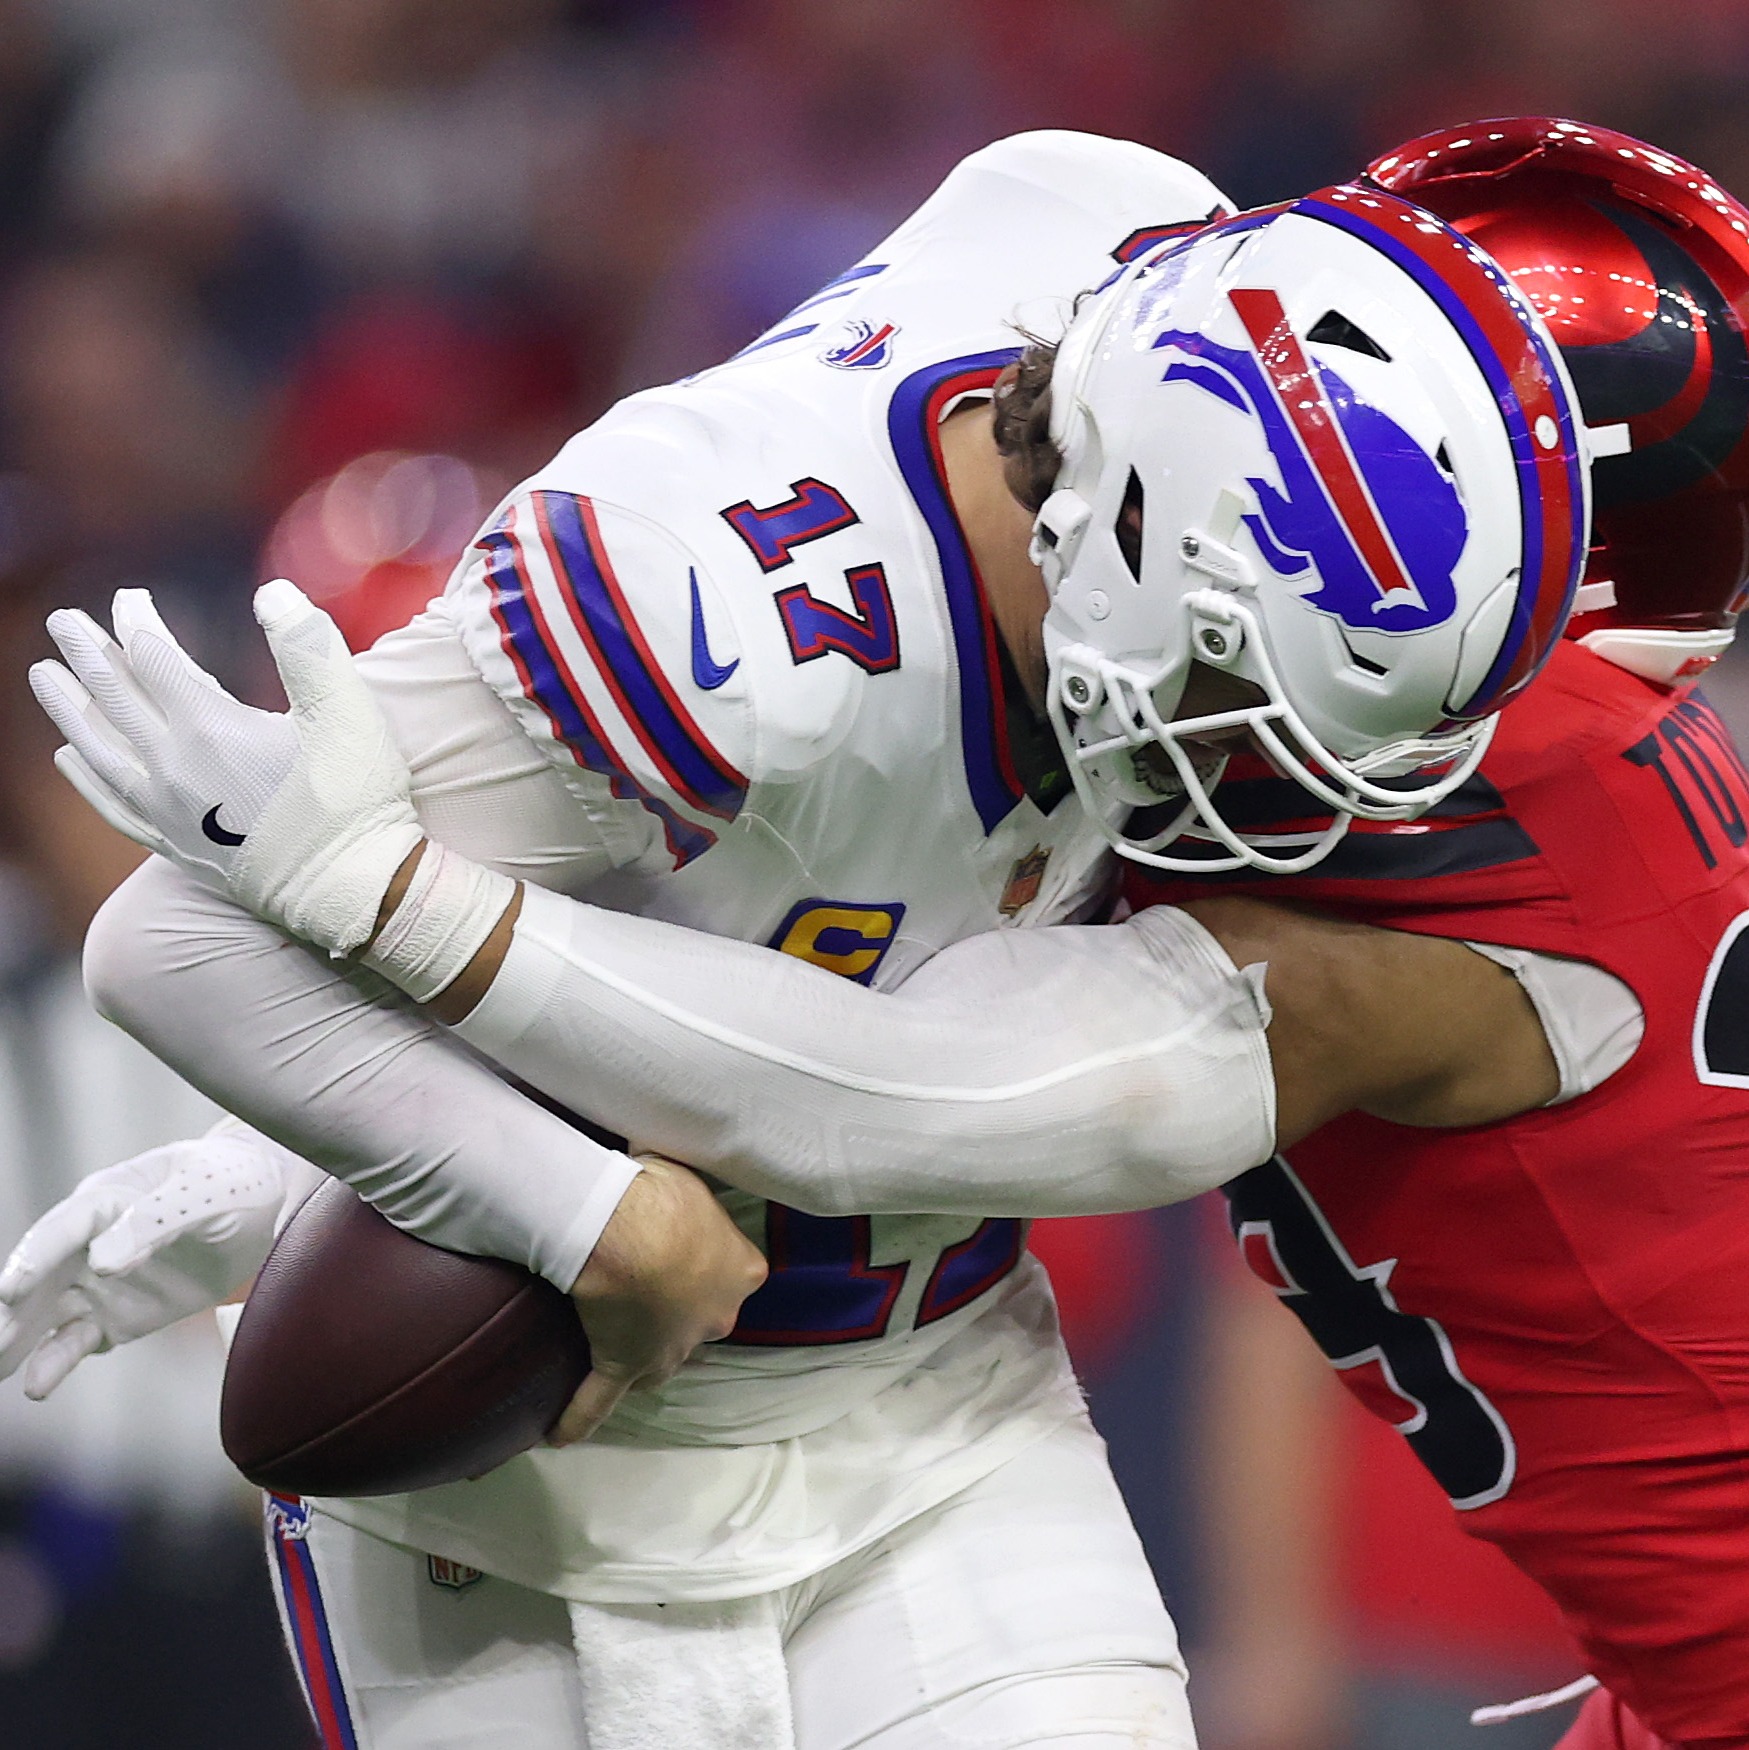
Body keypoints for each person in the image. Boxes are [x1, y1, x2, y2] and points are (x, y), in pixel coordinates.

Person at [9, 134, 1587, 1749]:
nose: (1276, 767)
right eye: (1239, 682)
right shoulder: (715, 619)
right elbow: (175, 937)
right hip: (512, 1487)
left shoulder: (1143, 246)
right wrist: (584, 1212)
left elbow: (799, 1047)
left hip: (933, 1413)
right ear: (1109, 533)